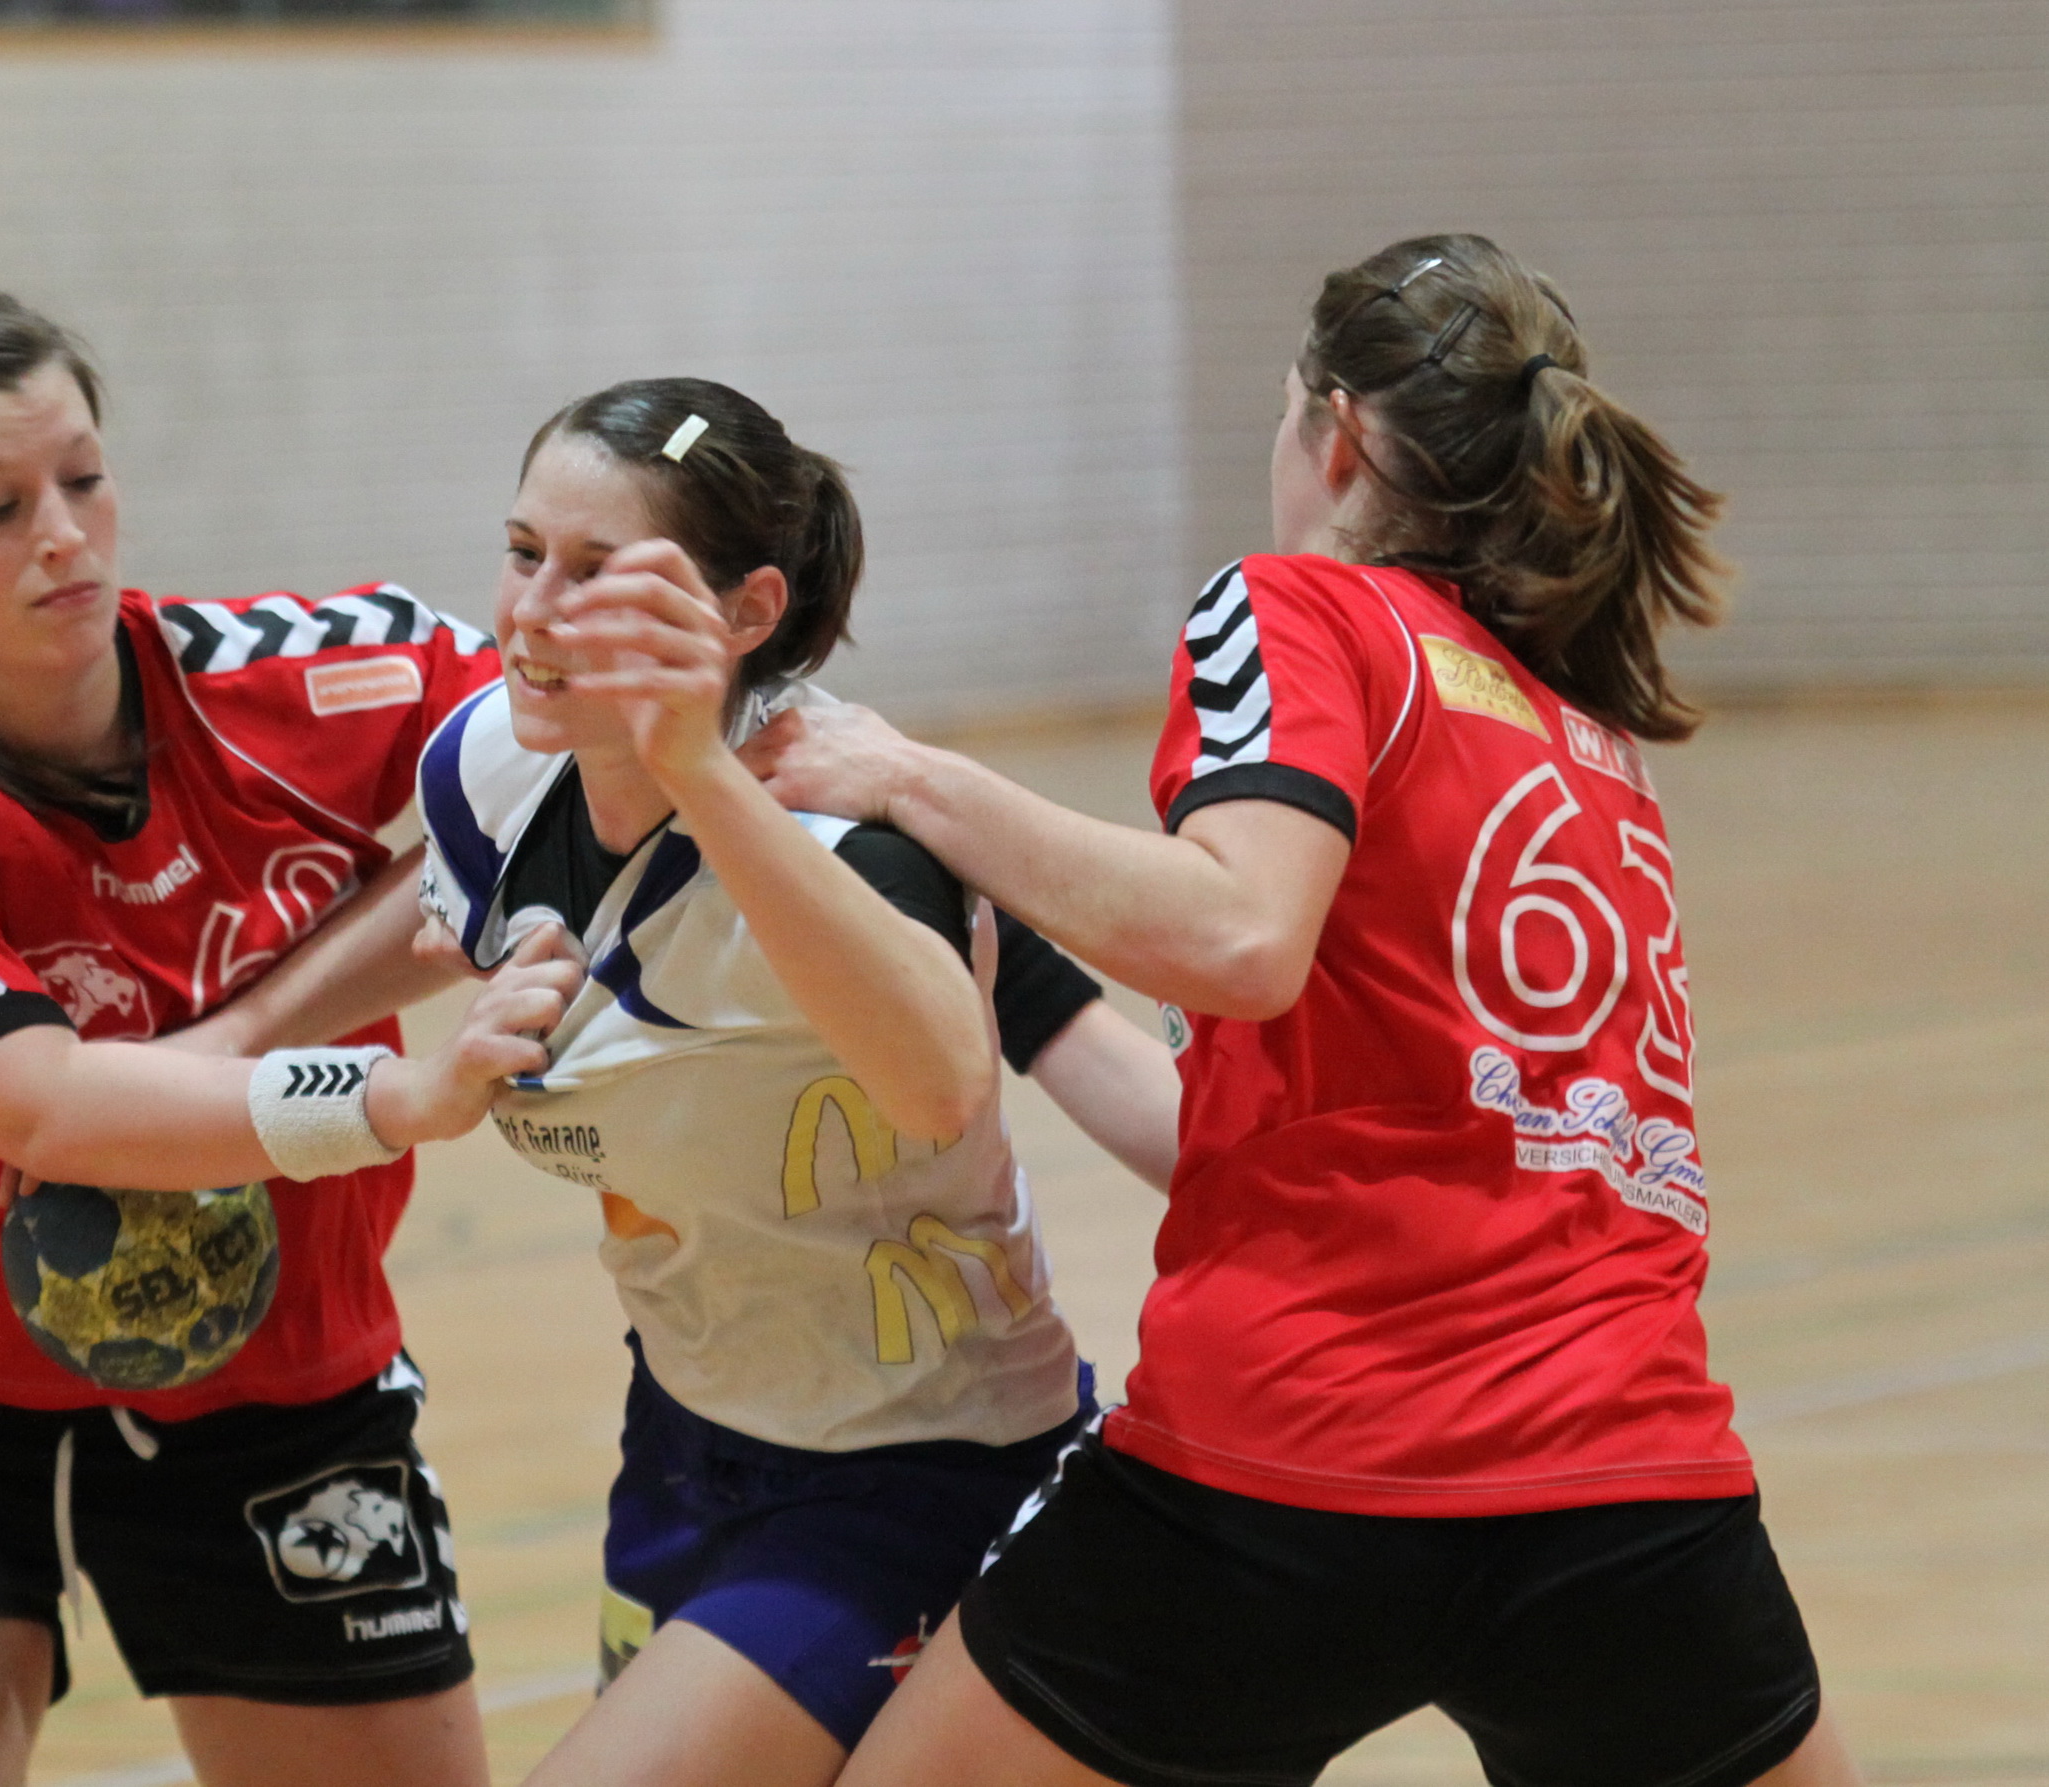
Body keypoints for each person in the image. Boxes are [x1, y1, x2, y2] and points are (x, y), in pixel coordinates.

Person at [738, 234, 1854, 1787]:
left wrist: (907, 778)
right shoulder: (1581, 727)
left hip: (1292, 1464)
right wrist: (1024, 972)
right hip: (1629, 1494)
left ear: (1334, 432)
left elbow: (1243, 935)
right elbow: (1280, 1128)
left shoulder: (1302, 608)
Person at [0, 286, 582, 1787]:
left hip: (278, 1389)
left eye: (83, 478)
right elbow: (47, 1112)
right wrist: (390, 1096)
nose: (64, 536)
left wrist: (257, 1020)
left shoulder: (307, 671)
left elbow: (565, 756)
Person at [411, 378, 1172, 1787]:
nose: (535, 613)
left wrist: (696, 768)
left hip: (918, 1467)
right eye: (523, 554)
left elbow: (942, 1084)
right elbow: (435, 932)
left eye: (598, 576)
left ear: (746, 611)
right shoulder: (488, 773)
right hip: (685, 1429)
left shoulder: (849, 849)